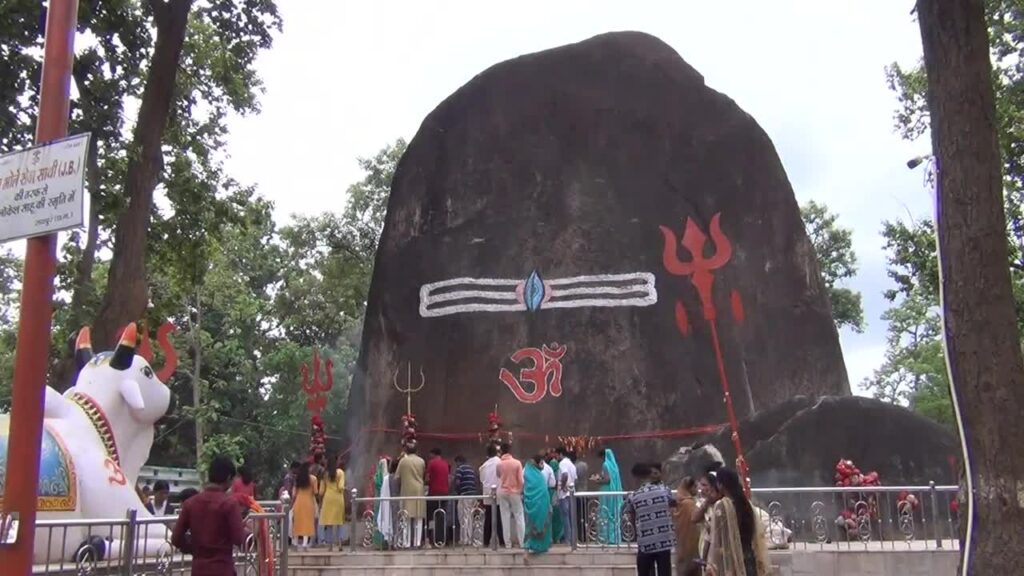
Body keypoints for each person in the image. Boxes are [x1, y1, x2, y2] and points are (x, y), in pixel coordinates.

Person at [171, 455, 246, 576]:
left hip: (198, 569)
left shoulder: (190, 503)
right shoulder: (229, 504)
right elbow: (238, 538)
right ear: (228, 477)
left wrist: (192, 548)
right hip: (222, 568)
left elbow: (176, 539)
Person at [704, 467, 770, 576]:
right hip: (749, 556)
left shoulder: (722, 506)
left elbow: (717, 538)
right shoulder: (746, 504)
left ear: (720, 485)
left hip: (731, 561)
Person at [622, 463, 674, 576]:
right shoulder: (665, 491)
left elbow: (631, 518)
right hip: (664, 541)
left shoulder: (634, 497)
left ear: (638, 478)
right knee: (664, 571)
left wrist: (637, 534)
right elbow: (672, 509)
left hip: (645, 543)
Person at [397, 444, 427, 548]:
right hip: (419, 490)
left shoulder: (403, 461)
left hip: (406, 490)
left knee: (406, 518)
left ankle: (406, 542)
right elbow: (423, 474)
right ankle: (417, 542)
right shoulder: (421, 461)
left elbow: (397, 477)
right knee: (418, 518)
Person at [495, 442, 525, 548]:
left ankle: (507, 543)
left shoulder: (499, 464)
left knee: (505, 517)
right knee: (519, 516)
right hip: (514, 492)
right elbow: (521, 480)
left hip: (502, 491)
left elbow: (498, 476)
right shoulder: (517, 463)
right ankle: (522, 542)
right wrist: (520, 490)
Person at [523, 453, 554, 554]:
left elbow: (524, 487)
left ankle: (528, 546)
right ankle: (540, 546)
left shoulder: (527, 472)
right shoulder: (539, 477)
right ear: (536, 464)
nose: (543, 466)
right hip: (541, 504)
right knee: (541, 522)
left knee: (530, 524)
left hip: (530, 504)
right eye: (541, 463)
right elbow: (546, 488)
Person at [591, 448, 623, 544]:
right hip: (611, 491)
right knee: (612, 512)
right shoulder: (614, 466)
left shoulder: (605, 464)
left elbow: (607, 479)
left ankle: (605, 537)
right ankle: (614, 537)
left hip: (606, 491)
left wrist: (597, 481)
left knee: (605, 511)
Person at [673, 477, 702, 576]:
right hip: (691, 545)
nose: (697, 490)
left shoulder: (678, 502)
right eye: (695, 487)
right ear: (689, 488)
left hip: (681, 545)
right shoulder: (689, 504)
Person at [479, 444, 505, 547]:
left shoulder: (484, 466)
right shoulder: (500, 462)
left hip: (487, 494)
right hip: (498, 493)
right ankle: (502, 541)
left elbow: (482, 480)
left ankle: (486, 541)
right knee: (499, 517)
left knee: (488, 518)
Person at [320, 456, 347, 550]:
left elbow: (321, 491)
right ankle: (340, 544)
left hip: (328, 499)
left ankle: (330, 546)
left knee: (329, 522)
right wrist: (344, 488)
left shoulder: (324, 474)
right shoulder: (340, 473)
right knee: (340, 521)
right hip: (338, 498)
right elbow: (340, 487)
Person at [425, 447, 451, 546]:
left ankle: (431, 538)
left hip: (434, 493)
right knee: (441, 516)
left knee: (430, 516)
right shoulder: (445, 463)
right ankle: (442, 539)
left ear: (433, 454)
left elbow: (427, 478)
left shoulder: (432, 463)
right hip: (445, 493)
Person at [453, 455, 480, 545]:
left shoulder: (460, 469)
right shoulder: (471, 469)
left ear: (458, 462)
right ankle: (470, 538)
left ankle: (465, 539)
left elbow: (457, 482)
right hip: (472, 495)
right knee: (470, 517)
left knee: (463, 517)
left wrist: (456, 491)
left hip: (464, 495)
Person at [291, 462, 318, 548]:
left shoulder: (297, 479)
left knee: (297, 521)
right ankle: (305, 542)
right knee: (308, 521)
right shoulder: (313, 479)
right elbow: (316, 492)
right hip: (309, 502)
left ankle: (295, 541)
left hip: (298, 502)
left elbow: (294, 494)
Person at [555, 446, 577, 545]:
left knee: (565, 517)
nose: (556, 457)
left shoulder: (562, 463)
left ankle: (567, 539)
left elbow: (564, 475)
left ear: (560, 454)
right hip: (571, 492)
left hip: (564, 493)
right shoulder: (572, 464)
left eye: (557, 455)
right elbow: (574, 478)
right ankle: (573, 538)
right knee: (571, 516)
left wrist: (563, 486)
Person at [373, 457, 392, 548]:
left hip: (382, 500)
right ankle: (380, 543)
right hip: (381, 500)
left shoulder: (384, 476)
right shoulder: (384, 477)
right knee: (380, 520)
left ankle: (384, 542)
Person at [571, 451, 589, 543]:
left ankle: (580, 536)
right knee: (584, 515)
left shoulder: (574, 467)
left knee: (578, 515)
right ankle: (585, 535)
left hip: (578, 493)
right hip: (585, 492)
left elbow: (575, 480)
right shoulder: (585, 465)